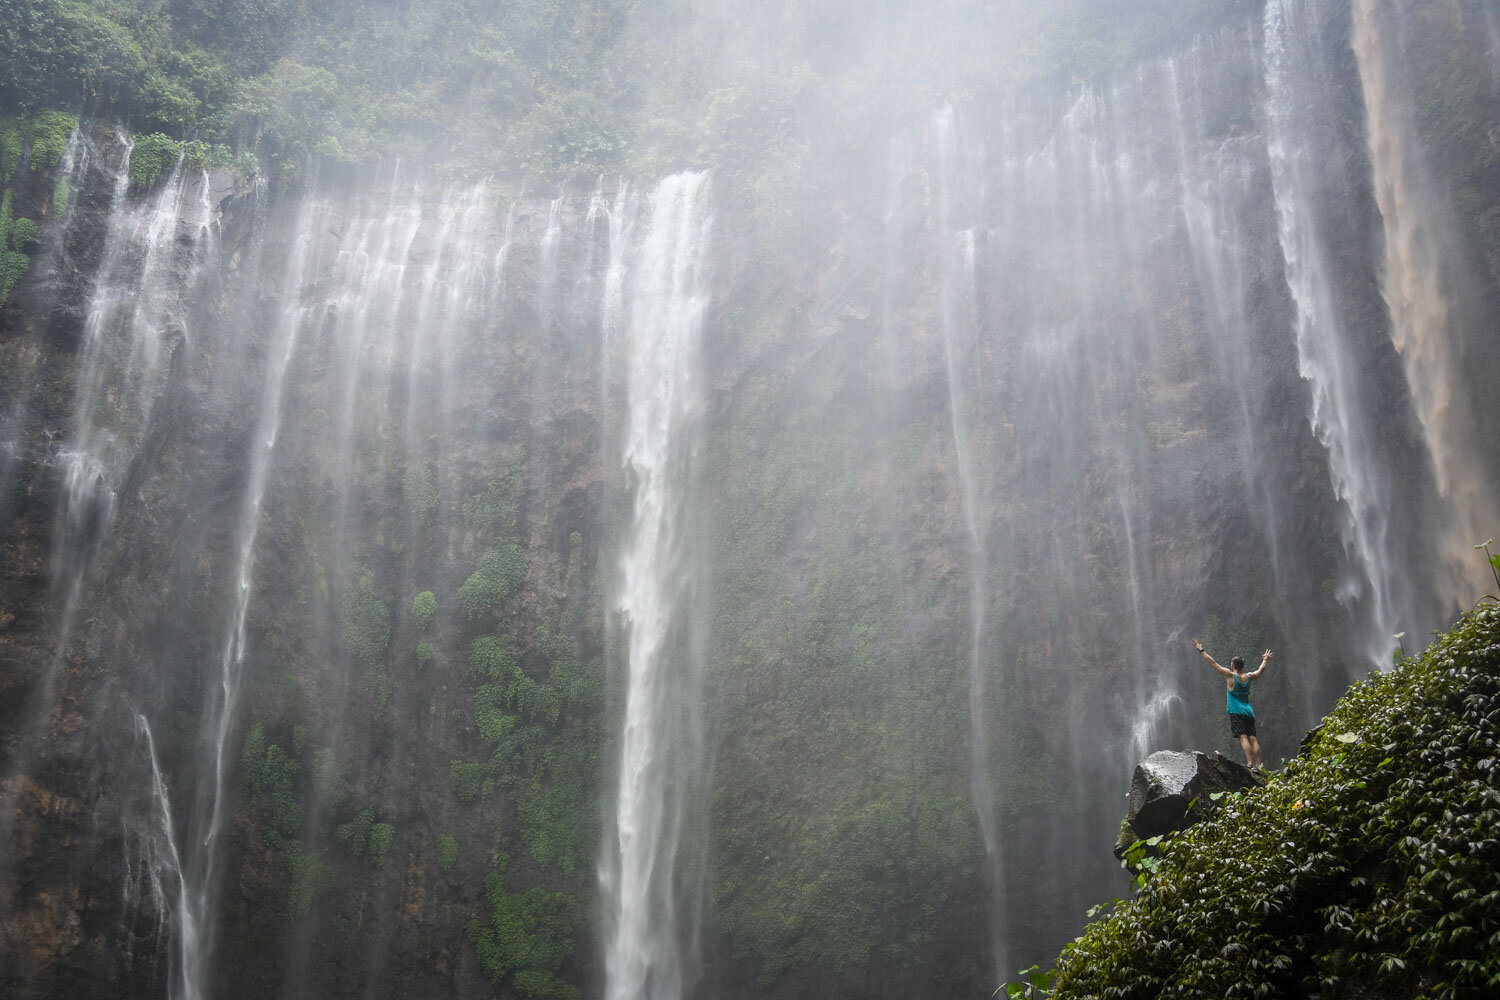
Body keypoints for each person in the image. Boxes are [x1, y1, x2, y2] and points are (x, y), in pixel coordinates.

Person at [1191, 638, 1271, 769]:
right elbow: (1260, 671)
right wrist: (1265, 660)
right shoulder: (1249, 677)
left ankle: (1250, 763)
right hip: (1248, 712)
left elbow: (1212, 663)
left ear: (1233, 665)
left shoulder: (1230, 676)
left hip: (1236, 712)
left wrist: (1201, 649)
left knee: (1243, 737)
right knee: (1253, 738)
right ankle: (1259, 765)